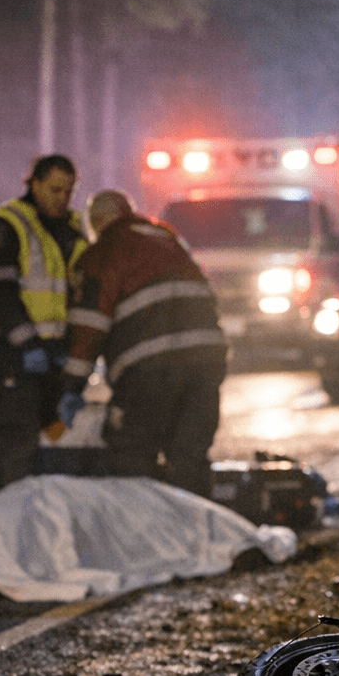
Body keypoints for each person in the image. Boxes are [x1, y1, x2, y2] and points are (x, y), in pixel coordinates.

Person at [60, 189, 227, 497]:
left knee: (130, 453)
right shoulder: (169, 240)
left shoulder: (102, 254)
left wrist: (70, 386)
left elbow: (89, 328)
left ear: (96, 223)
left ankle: (143, 534)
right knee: (189, 457)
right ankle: (199, 535)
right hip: (206, 364)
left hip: (149, 372)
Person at [0, 155, 88, 493]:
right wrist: (29, 345)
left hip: (50, 353)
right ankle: (10, 521)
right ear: (34, 183)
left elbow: (77, 295)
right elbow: (0, 294)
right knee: (17, 440)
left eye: (69, 191)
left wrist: (69, 355)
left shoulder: (71, 230)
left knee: (52, 440)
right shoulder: (5, 226)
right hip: (10, 353)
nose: (63, 198)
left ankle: (38, 523)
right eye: (55, 190)